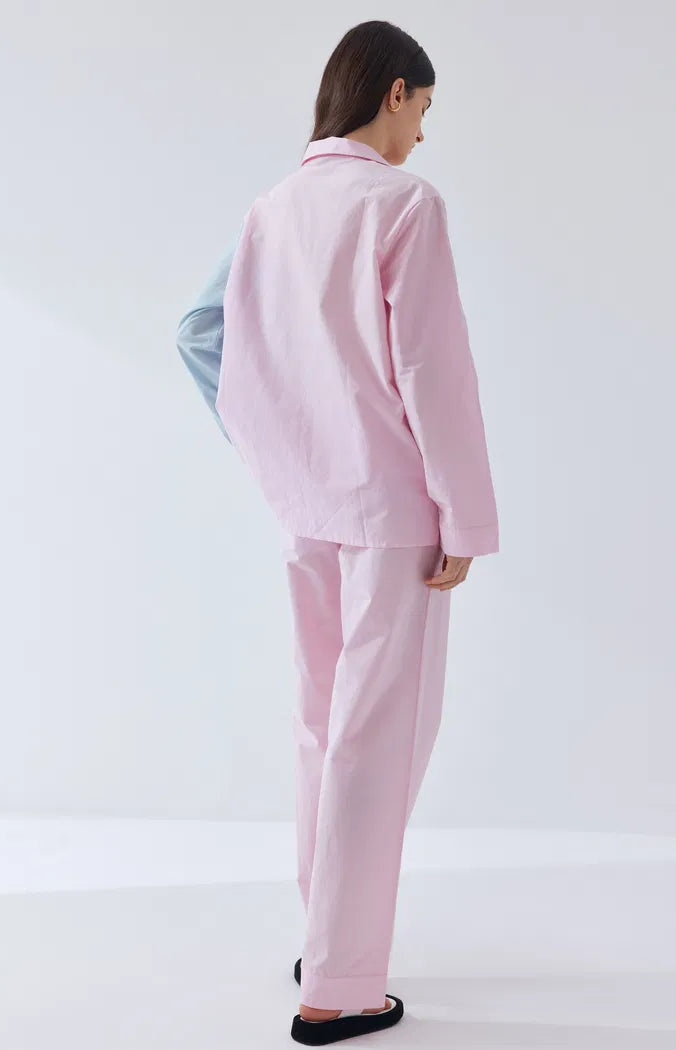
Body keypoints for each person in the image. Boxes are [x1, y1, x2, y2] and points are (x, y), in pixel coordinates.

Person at [176, 19, 499, 1046]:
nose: (421, 134)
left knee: (323, 730)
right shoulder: (403, 204)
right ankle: (342, 985)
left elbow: (199, 335)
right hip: (393, 514)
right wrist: (465, 517)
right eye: (424, 109)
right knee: (376, 742)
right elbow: (433, 372)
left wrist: (275, 450)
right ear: (395, 91)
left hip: (305, 509)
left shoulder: (273, 208)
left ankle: (327, 941)